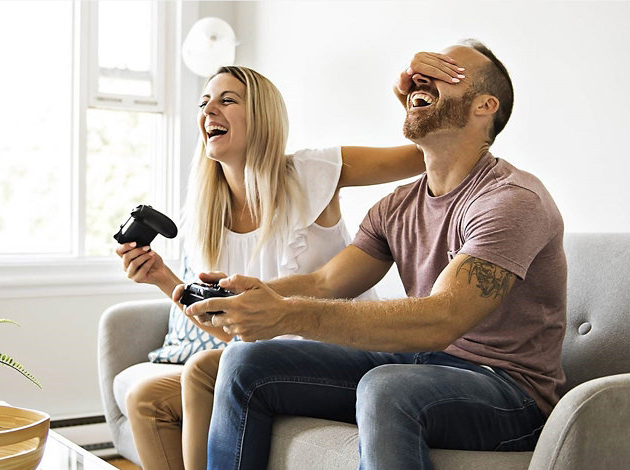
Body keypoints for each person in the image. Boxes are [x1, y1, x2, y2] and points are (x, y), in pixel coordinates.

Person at [184, 40, 565, 470]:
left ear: (485, 106)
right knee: (242, 361)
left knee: (386, 387)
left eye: (446, 70)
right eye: (421, 73)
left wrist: (287, 316)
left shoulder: (511, 199)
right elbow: (325, 283)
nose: (422, 75)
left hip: (509, 391)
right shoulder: (397, 206)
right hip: (421, 366)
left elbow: (442, 319)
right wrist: (255, 297)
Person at [115, 65, 427, 470]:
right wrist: (163, 278)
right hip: (260, 365)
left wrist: (414, 104)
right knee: (146, 399)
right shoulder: (208, 218)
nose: (209, 110)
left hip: (344, 353)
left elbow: (421, 157)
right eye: (204, 102)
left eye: (227, 100)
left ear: (262, 115)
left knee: (202, 370)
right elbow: (231, 329)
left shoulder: (313, 172)